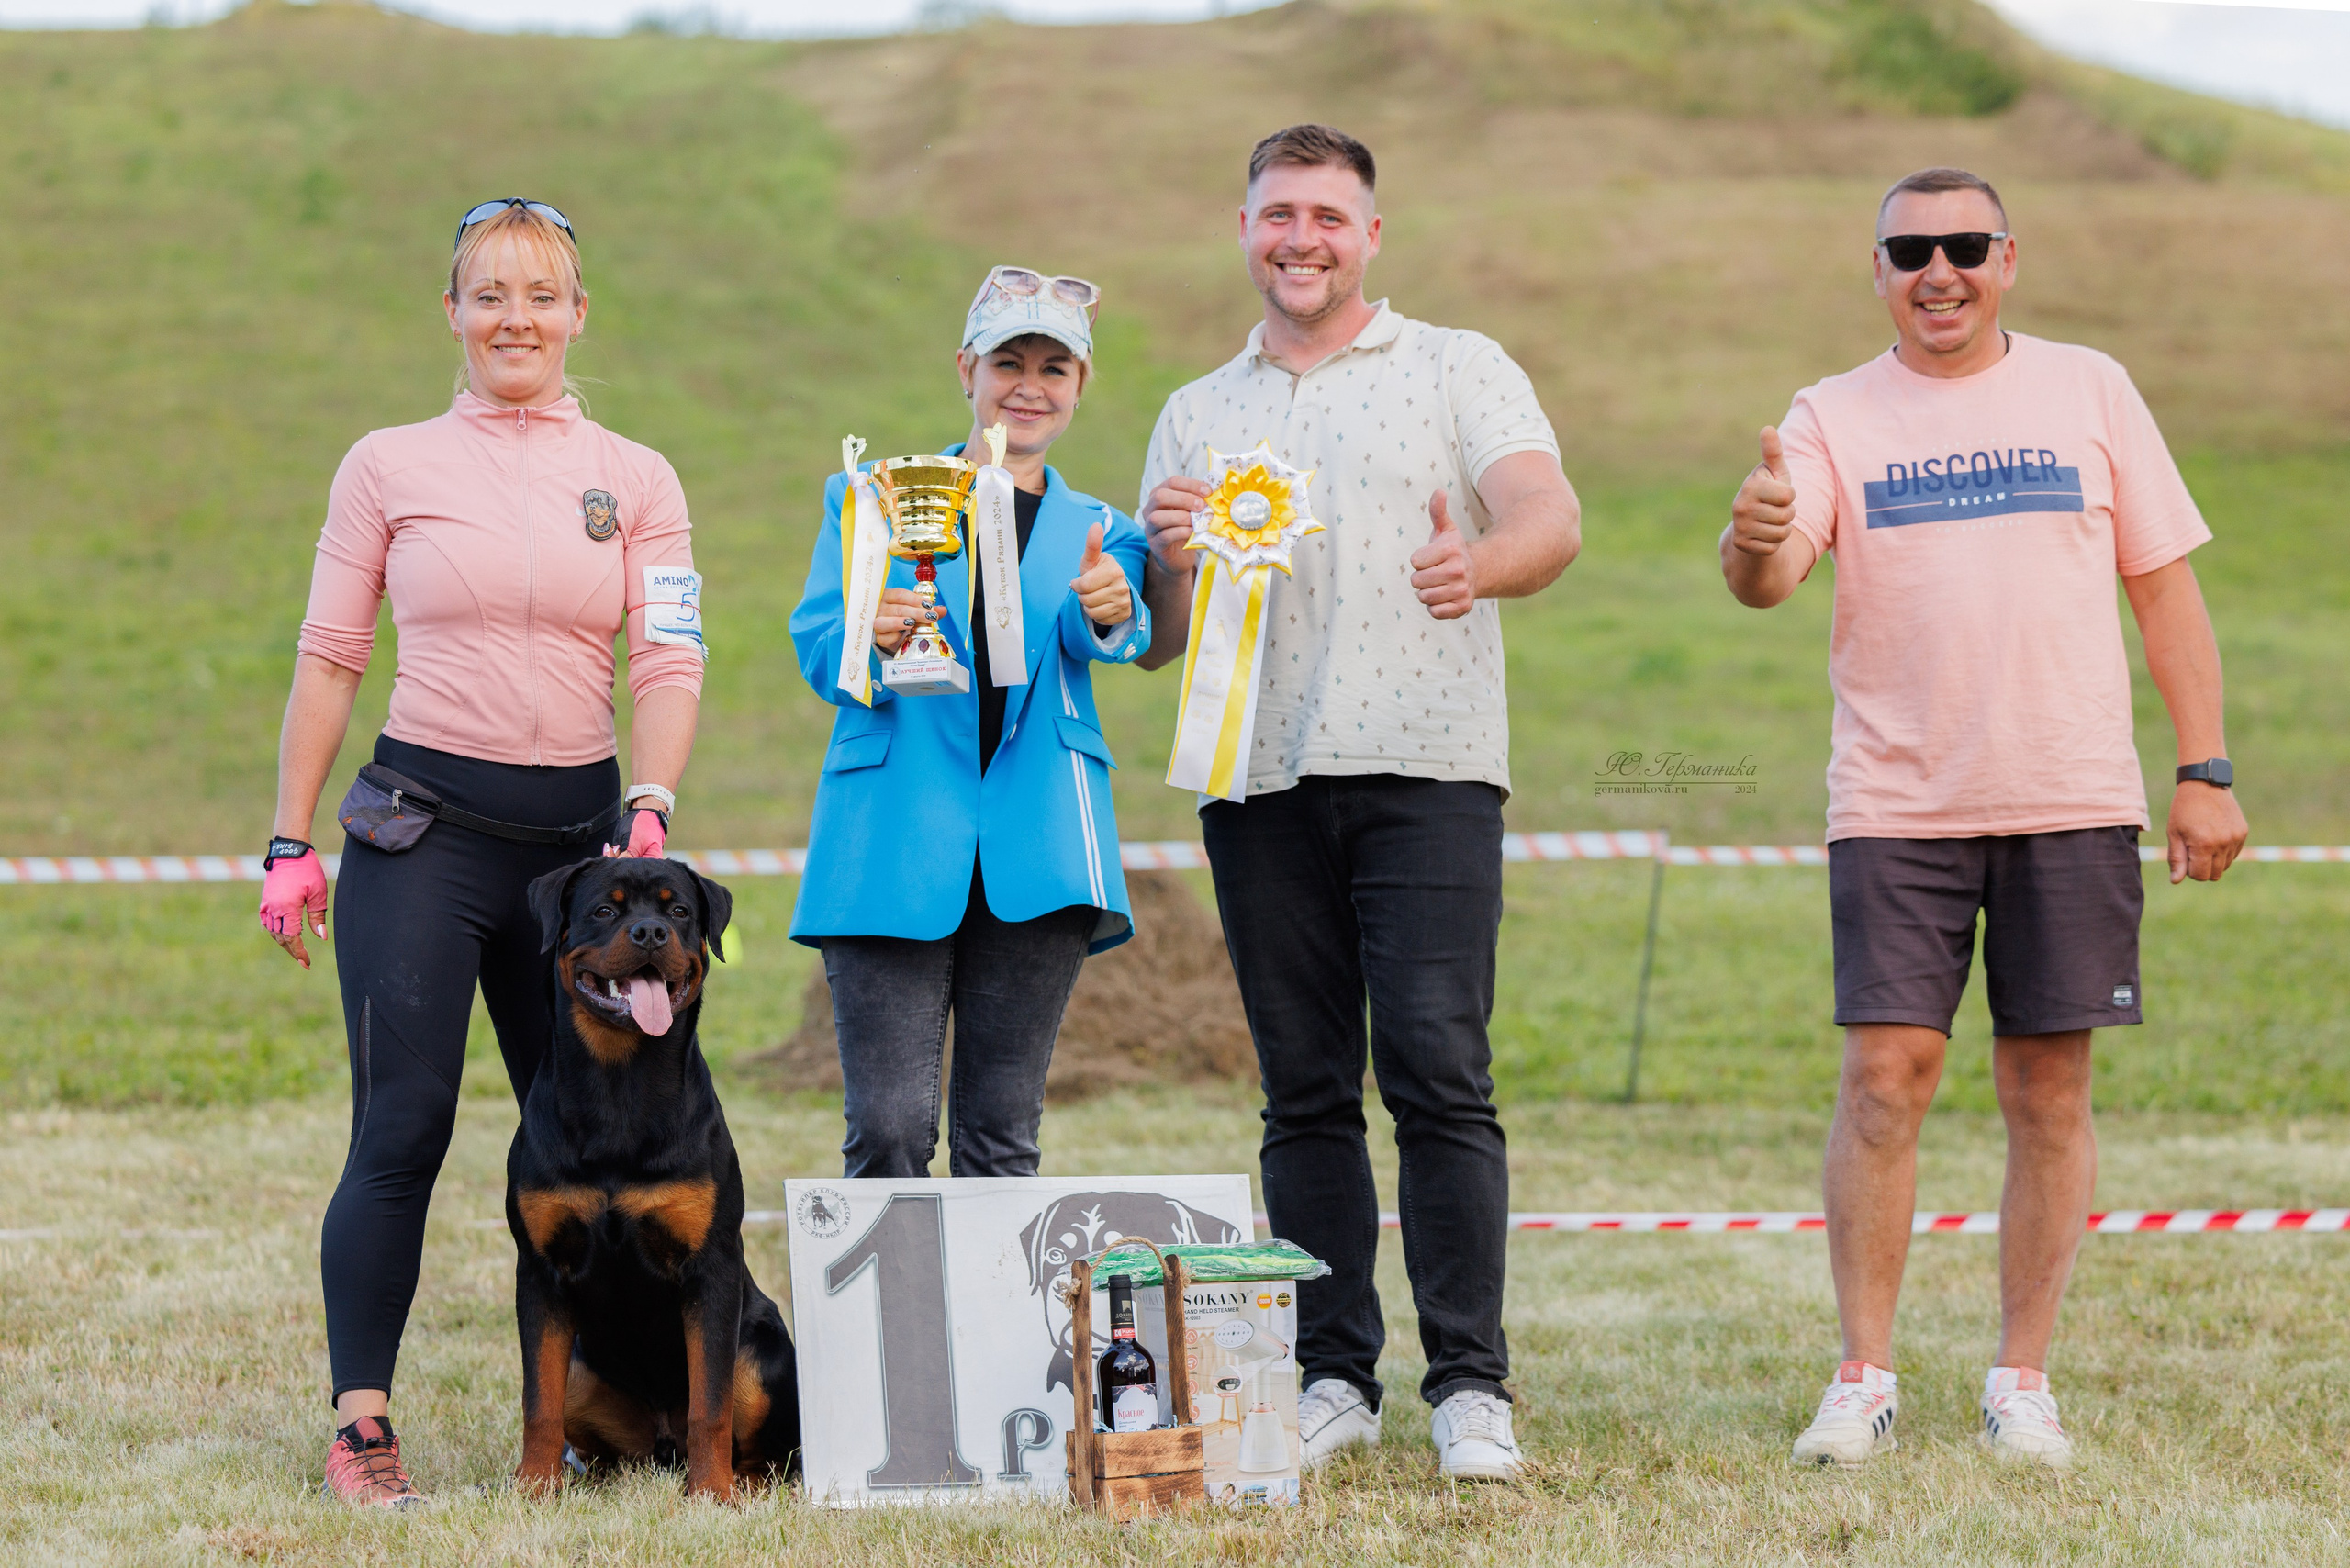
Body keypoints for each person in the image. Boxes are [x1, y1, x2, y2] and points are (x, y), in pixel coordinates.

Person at [1724, 167, 2247, 1470]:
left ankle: (2022, 1378)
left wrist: (2208, 769)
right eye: (1911, 251)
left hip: (2070, 796)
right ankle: (1864, 1375)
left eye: (1964, 246)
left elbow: (2166, 595)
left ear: (2009, 257)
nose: (1937, 271)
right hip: (1898, 804)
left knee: (2048, 1092)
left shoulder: (2092, 389)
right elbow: (1770, 581)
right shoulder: (1830, 413)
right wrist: (1754, 537)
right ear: (1882, 267)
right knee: (1885, 1081)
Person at [1136, 125, 1581, 1483]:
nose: (1302, 238)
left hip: (1430, 768)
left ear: (1370, 235)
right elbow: (1160, 640)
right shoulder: (1196, 410)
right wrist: (1160, 558)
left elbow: (1548, 516)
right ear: (1246, 229)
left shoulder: (1459, 365)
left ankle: (1470, 1386)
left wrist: (1483, 569)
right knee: (1303, 1090)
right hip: (1259, 780)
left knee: (1441, 1072)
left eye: (1329, 215)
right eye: (1279, 213)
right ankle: (1335, 1374)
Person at [258, 199, 706, 1506]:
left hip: (582, 858)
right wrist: (291, 840)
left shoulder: (639, 474)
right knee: (402, 1126)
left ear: (580, 315)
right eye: (490, 294)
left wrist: (652, 808)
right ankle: (362, 1425)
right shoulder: (386, 464)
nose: (517, 318)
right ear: (450, 313)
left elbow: (666, 657)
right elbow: (333, 657)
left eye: (542, 295)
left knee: (609, 1134)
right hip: (426, 838)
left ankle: (623, 1407)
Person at [789, 266, 1150, 1179]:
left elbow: (1106, 629)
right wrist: (863, 637)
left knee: (1001, 1136)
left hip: (1041, 845)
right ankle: (892, 1329)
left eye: (1054, 368)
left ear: (1080, 388)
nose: (1029, 385)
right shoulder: (872, 496)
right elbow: (818, 639)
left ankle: (1000, 1328)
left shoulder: (1107, 529)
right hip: (890, 834)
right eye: (1008, 360)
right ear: (965, 367)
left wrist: (1111, 606)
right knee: (892, 1127)